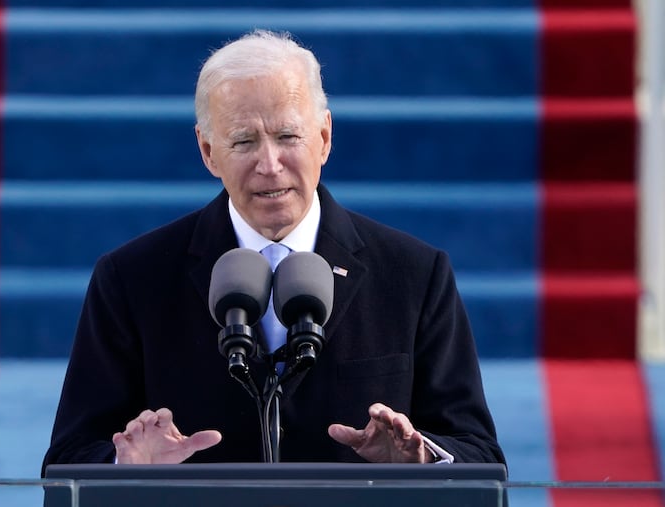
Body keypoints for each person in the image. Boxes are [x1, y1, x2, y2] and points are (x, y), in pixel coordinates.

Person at [42, 29, 505, 471]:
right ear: (208, 151)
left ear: (323, 138)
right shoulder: (132, 279)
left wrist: (420, 458)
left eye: (288, 137)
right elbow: (68, 457)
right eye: (243, 141)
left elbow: (479, 453)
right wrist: (128, 466)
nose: (269, 165)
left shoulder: (414, 274)